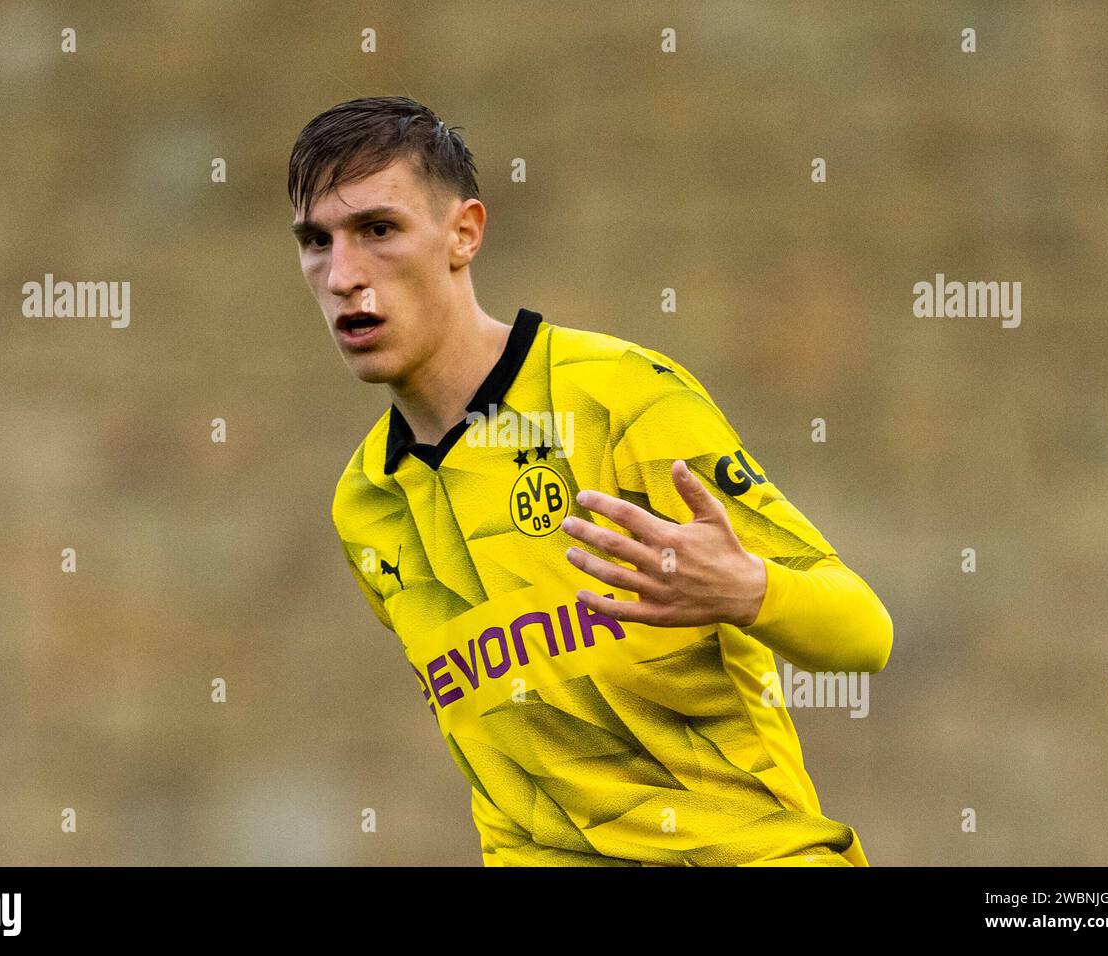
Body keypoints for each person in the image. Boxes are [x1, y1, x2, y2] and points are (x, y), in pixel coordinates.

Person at [288, 95, 893, 866]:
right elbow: (509, 779)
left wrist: (747, 590)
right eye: (315, 241)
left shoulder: (621, 397)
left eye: (378, 230)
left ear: (463, 233)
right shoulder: (365, 505)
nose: (342, 275)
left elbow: (866, 634)